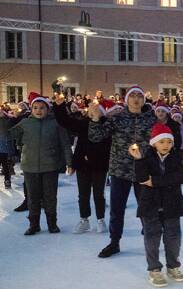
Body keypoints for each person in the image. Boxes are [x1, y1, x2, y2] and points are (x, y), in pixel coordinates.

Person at [89, 86, 158, 258]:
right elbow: (96, 137)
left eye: (139, 96)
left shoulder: (152, 119)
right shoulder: (117, 118)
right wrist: (96, 120)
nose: (136, 99)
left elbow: (161, 142)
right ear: (126, 99)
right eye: (132, 96)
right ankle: (114, 242)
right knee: (117, 209)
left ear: (144, 100)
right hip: (121, 170)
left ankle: (150, 239)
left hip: (144, 170)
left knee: (147, 208)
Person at [130, 123, 183, 288]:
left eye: (169, 142)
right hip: (150, 204)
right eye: (162, 142)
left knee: (174, 237)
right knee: (152, 237)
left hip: (172, 203)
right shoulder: (146, 157)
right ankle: (154, 269)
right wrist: (138, 160)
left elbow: (178, 177)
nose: (166, 145)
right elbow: (141, 179)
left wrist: (154, 181)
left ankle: (173, 266)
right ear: (154, 142)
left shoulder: (176, 157)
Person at [9, 94, 73, 235]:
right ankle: (34, 224)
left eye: (42, 108)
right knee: (33, 197)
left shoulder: (55, 124)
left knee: (50, 196)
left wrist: (70, 163)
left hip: (50, 166)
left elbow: (65, 144)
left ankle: (52, 223)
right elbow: (10, 135)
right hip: (30, 166)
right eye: (35, 108)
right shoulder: (25, 123)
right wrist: (8, 120)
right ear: (31, 109)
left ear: (48, 109)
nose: (39, 111)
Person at [53, 94, 111, 234]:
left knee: (99, 194)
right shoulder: (83, 124)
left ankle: (100, 219)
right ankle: (84, 219)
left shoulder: (106, 126)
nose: (93, 112)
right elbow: (65, 121)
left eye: (96, 110)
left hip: (100, 166)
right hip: (83, 165)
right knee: (83, 194)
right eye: (91, 110)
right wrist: (60, 106)